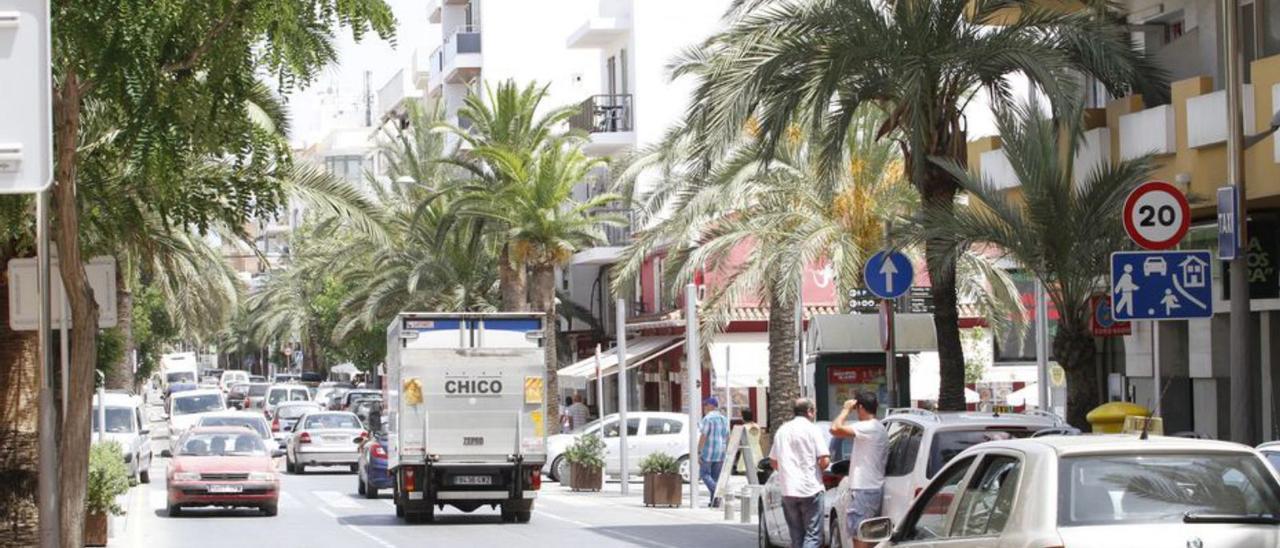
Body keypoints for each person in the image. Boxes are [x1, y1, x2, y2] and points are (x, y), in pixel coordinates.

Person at [831, 392, 888, 548]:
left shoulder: (869, 426)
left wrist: (845, 409)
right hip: (869, 489)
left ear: (861, 407)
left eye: (857, 409)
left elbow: (835, 428)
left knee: (860, 535)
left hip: (865, 489)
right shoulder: (877, 427)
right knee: (864, 535)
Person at [770, 398, 829, 548]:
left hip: (788, 490)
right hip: (810, 488)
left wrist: (788, 472)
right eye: (814, 410)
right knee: (813, 535)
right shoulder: (812, 429)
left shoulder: (782, 430)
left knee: (796, 536)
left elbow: (774, 462)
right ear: (809, 412)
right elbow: (824, 460)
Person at [697, 396, 730, 507]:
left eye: (706, 405)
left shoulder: (708, 419)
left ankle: (717, 492)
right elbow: (727, 436)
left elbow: (704, 436)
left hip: (708, 451)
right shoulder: (724, 419)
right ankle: (714, 502)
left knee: (704, 474)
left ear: (711, 406)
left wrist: (699, 451)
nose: (704, 407)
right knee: (715, 476)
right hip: (721, 452)